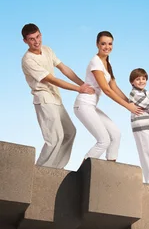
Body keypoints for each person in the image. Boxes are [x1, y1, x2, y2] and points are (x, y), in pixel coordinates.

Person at [21, 23, 95, 168]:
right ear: (25, 41)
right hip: (44, 99)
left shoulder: (47, 50)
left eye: (37, 37)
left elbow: (63, 68)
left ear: (41, 34)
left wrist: (82, 84)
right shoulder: (28, 60)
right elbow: (52, 79)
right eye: (31, 39)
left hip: (55, 98)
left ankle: (55, 170)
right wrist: (78, 89)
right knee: (54, 138)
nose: (36, 41)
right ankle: (39, 171)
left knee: (70, 132)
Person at [73, 31, 142, 162]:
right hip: (83, 105)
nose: (107, 47)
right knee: (103, 141)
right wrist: (128, 107)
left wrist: (129, 102)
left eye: (110, 44)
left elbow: (114, 87)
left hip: (91, 106)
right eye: (103, 43)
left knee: (116, 134)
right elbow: (106, 90)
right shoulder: (95, 63)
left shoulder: (107, 63)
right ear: (97, 44)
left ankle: (110, 167)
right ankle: (82, 172)